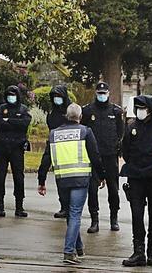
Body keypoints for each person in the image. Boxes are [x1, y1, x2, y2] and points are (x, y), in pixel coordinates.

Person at [36, 103, 100, 265]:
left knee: (71, 215)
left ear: (66, 116)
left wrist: (41, 180)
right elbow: (95, 156)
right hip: (80, 179)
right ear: (80, 117)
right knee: (75, 214)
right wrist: (101, 175)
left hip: (62, 180)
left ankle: (78, 248)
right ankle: (68, 252)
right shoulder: (85, 131)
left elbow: (46, 159)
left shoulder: (54, 134)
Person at [120, 94, 152, 266]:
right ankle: (138, 252)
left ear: (150, 110)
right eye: (138, 108)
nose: (140, 112)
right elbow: (125, 150)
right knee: (137, 215)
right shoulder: (131, 126)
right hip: (136, 176)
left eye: (143, 108)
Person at [81, 81, 125, 233]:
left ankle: (114, 219)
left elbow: (121, 132)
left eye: (104, 93)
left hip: (110, 156)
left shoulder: (116, 111)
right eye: (99, 93)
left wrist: (117, 147)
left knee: (113, 190)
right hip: (93, 157)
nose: (102, 96)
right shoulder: (87, 111)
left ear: (108, 94)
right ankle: (95, 220)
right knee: (92, 190)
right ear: (96, 94)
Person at [0, 85, 31, 218]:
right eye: (9, 95)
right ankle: (0, 205)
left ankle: (19, 206)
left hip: (17, 147)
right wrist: (14, 123)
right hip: (2, 147)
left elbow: (24, 123)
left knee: (19, 177)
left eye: (13, 95)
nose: (11, 97)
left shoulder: (23, 109)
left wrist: (8, 121)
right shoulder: (1, 109)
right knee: (0, 176)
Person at [46, 84, 74, 219]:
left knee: (71, 182)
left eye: (59, 96)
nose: (57, 99)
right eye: (54, 97)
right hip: (58, 151)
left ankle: (70, 206)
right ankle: (63, 206)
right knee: (60, 181)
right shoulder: (52, 114)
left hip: (71, 150)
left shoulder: (70, 111)